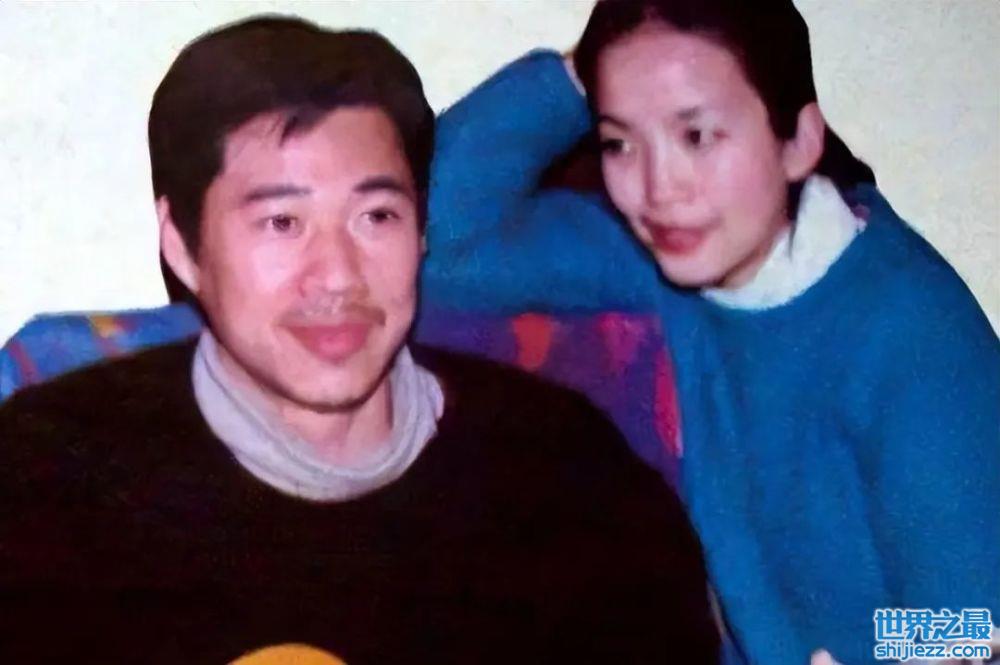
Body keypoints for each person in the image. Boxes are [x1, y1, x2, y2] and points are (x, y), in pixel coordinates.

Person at [0, 16, 719, 664]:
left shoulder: (569, 479)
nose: (339, 275)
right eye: (282, 223)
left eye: (377, 217)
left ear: (422, 230)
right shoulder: (48, 479)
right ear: (183, 246)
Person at [417, 0, 1000, 663]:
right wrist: (581, 74)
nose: (659, 188)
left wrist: (859, 652)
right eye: (620, 143)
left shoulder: (913, 336)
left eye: (696, 136)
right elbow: (434, 244)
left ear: (799, 141)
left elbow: (976, 628)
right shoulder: (672, 265)